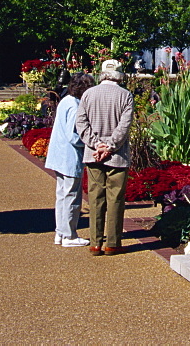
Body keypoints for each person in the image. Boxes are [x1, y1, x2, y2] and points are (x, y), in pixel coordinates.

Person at [75, 59, 134, 256]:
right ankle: (112, 243)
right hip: (117, 156)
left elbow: (81, 123)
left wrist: (96, 144)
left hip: (93, 154)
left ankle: (95, 242)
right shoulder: (125, 95)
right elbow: (124, 127)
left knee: (95, 198)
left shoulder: (88, 94)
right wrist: (109, 146)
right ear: (119, 74)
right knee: (115, 199)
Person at [44, 72, 95, 247]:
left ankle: (61, 232)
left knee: (62, 195)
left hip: (58, 155)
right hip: (69, 156)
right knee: (72, 196)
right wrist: (92, 143)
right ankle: (69, 235)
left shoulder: (66, 101)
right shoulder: (75, 105)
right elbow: (74, 136)